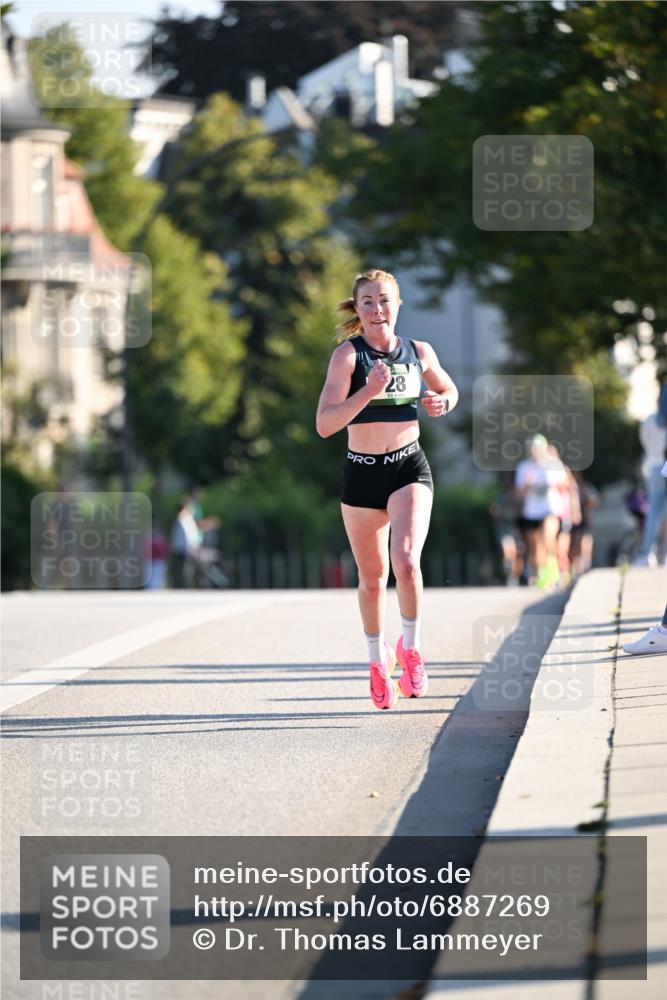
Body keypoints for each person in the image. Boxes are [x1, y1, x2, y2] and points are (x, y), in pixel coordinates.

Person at [316, 268, 458, 710]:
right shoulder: (347, 357)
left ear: (398, 305)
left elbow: (447, 388)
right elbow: (324, 425)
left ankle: (412, 651)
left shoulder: (419, 351)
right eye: (368, 302)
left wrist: (443, 401)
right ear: (358, 310)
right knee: (374, 580)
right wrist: (367, 392)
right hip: (361, 473)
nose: (377, 309)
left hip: (407, 467)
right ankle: (378, 663)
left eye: (384, 300)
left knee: (407, 561)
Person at [633, 391, 667, 566]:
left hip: (654, 466)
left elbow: (644, 443)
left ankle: (648, 552)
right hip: (663, 464)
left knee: (653, 511)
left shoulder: (649, 421)